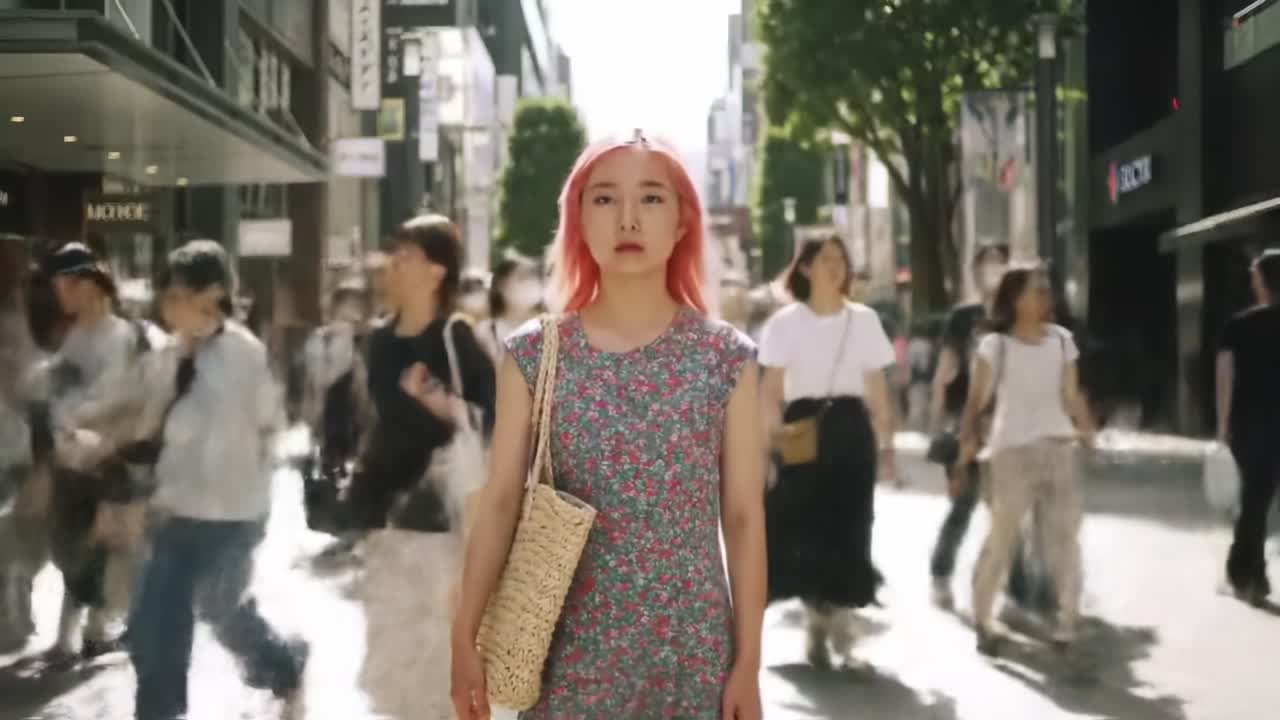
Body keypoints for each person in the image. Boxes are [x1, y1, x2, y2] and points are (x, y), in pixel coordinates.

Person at [451, 130, 765, 720]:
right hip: (564, 659)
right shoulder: (534, 353)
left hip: (692, 657)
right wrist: (464, 636)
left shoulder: (726, 358)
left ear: (682, 222)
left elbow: (744, 518)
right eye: (604, 199)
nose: (628, 218)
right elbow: (500, 503)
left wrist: (748, 663)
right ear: (578, 219)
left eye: (651, 198)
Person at [126, 240, 307, 720]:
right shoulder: (166, 355)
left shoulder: (244, 353)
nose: (170, 306)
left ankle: (281, 662)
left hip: (234, 515)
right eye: (167, 296)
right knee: (154, 627)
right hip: (175, 511)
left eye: (180, 295)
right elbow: (147, 426)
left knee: (221, 610)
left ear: (211, 295)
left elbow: (269, 423)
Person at [347, 214, 496, 720]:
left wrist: (438, 399)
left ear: (437, 271)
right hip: (386, 514)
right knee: (391, 650)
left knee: (437, 654)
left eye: (407, 255)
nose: (393, 263)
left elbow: (497, 420)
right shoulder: (378, 340)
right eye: (393, 254)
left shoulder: (455, 336)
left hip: (442, 519)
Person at [758, 235, 898, 669]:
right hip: (802, 431)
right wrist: (769, 443)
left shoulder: (864, 320)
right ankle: (817, 620)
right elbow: (770, 393)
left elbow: (877, 390)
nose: (837, 267)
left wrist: (888, 445)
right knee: (805, 529)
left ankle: (840, 629)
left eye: (842, 259)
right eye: (827, 259)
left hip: (851, 429)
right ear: (805, 268)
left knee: (851, 527)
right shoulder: (784, 324)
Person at [956, 264, 1094, 655]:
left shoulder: (1062, 340)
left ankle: (1068, 618)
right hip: (1011, 453)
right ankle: (983, 617)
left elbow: (1071, 393)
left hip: (1058, 447)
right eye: (1036, 289)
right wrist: (966, 440)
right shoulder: (995, 345)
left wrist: (1086, 428)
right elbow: (976, 400)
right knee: (1003, 538)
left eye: (1046, 288)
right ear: (1015, 298)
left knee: (1064, 537)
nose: (1044, 295)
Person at [1215, 248, 1280, 606]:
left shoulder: (1237, 326)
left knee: (1254, 497)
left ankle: (1245, 571)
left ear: (1261, 280)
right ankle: (1251, 573)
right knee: (1259, 496)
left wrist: (1223, 425)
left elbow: (1225, 377)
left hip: (1246, 422)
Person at [475, 252, 544, 364]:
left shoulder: (549, 330)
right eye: (522, 277)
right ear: (501, 285)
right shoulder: (485, 332)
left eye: (534, 277)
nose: (530, 283)